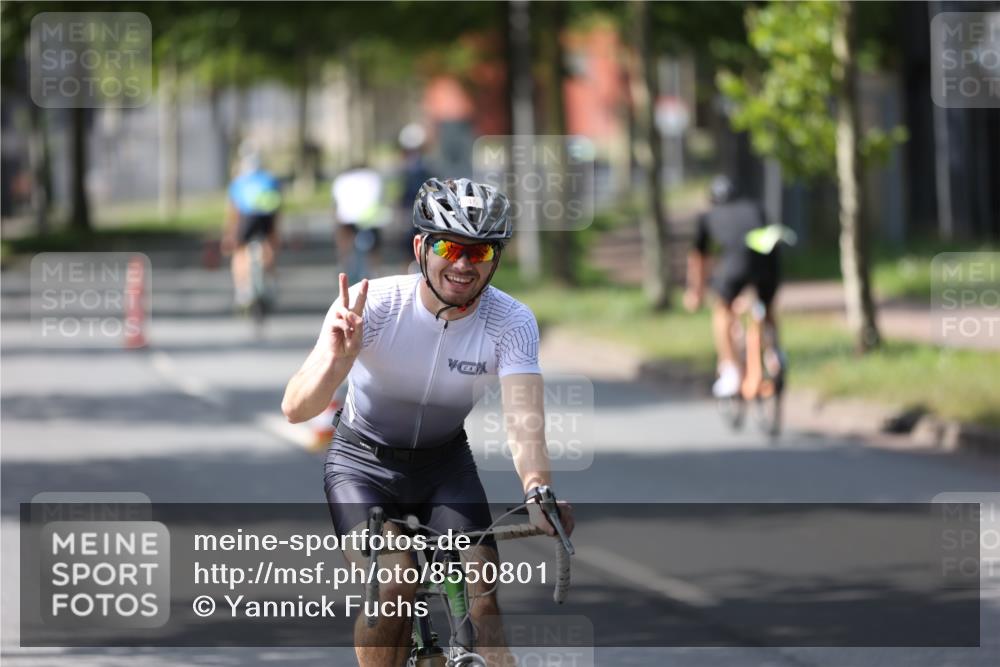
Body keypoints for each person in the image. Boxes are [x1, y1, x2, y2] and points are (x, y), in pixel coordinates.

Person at [281, 178, 574, 667]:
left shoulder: (511, 321)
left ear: (495, 260)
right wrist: (337, 360)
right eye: (448, 247)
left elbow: (524, 416)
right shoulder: (373, 305)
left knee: (483, 594)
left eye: (479, 252)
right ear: (421, 247)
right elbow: (296, 408)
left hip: (444, 466)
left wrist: (537, 490)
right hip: (362, 465)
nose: (462, 264)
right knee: (396, 581)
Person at [684, 175, 787, 399]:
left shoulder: (708, 216)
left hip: (736, 265)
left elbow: (699, 259)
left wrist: (696, 292)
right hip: (769, 263)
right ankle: (776, 353)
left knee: (722, 309)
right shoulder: (755, 207)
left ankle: (730, 370)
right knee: (766, 307)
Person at [222, 146, 282, 308]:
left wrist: (230, 235)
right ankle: (271, 279)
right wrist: (275, 234)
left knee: (239, 251)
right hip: (266, 217)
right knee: (269, 247)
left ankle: (241, 289)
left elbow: (234, 212)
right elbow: (277, 207)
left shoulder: (238, 182)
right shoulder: (270, 179)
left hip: (247, 218)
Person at [331, 163, 389, 283]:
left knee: (344, 239)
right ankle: (376, 272)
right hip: (371, 218)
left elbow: (335, 205)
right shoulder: (373, 177)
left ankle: (343, 266)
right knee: (374, 249)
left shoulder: (342, 179)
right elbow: (381, 198)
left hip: (347, 217)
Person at [395, 123, 432, 273]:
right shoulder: (424, 166)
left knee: (411, 250)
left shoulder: (411, 168)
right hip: (419, 213)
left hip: (415, 213)